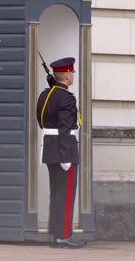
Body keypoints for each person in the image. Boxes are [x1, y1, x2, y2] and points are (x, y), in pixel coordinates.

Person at [36, 57, 84, 249]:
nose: (73, 75)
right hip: (65, 149)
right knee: (65, 195)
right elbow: (65, 128)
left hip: (49, 147)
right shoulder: (66, 98)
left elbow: (41, 120)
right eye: (71, 72)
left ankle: (55, 235)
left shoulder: (45, 94)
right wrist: (65, 156)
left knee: (56, 193)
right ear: (65, 75)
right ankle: (63, 236)